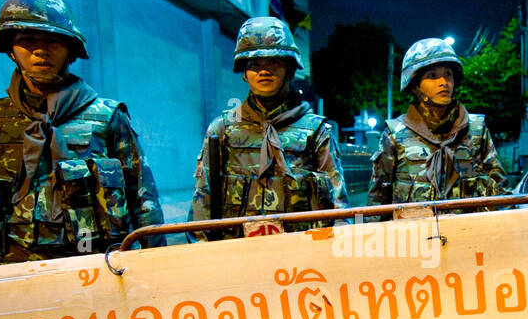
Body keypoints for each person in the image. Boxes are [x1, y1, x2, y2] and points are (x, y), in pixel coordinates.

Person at [0, 0, 165, 271]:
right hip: (7, 272)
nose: (40, 50)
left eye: (53, 40)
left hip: (93, 270)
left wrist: (156, 274)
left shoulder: (107, 117)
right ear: (11, 50)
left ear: (71, 50)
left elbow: (143, 201)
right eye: (27, 40)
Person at [190, 16, 348, 237]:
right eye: (254, 64)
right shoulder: (223, 130)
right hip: (237, 256)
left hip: (299, 260)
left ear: (290, 69)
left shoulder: (315, 131)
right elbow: (202, 207)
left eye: (274, 61)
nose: (263, 71)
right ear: (244, 72)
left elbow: (338, 209)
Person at [368, 38, 507, 207]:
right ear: (415, 86)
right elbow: (377, 201)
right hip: (415, 232)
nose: (443, 82)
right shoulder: (396, 134)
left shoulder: (476, 129)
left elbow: (501, 193)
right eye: (432, 76)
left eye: (448, 74)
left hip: (469, 231)